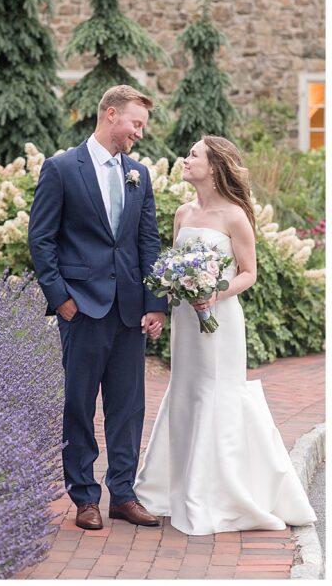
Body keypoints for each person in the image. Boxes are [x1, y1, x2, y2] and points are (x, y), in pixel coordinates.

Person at [133, 136, 316, 535]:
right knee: (186, 390)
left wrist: (215, 292)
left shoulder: (234, 215)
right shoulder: (182, 212)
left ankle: (221, 492)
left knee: (217, 392)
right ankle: (177, 486)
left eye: (193, 155)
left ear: (214, 167)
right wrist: (172, 294)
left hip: (220, 320)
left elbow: (249, 272)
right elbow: (173, 263)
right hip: (186, 318)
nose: (185, 159)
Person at [28, 84, 167, 531]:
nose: (138, 134)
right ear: (111, 115)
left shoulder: (139, 175)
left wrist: (155, 304)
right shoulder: (62, 168)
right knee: (80, 405)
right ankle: (84, 496)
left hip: (129, 311)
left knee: (129, 408)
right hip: (82, 309)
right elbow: (41, 239)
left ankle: (123, 495)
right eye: (135, 124)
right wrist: (61, 298)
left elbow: (148, 242)